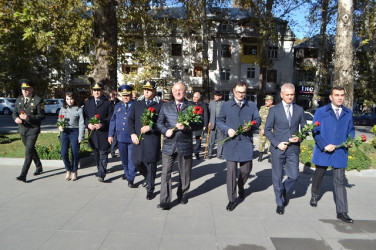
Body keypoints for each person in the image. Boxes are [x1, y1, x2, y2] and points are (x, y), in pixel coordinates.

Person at [310, 86, 355, 223]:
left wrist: (350, 141)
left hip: (340, 151)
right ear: (331, 97)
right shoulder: (321, 111)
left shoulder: (348, 113)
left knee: (340, 181)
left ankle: (342, 212)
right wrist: (324, 145)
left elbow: (351, 130)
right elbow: (315, 130)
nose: (340, 97)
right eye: (337, 95)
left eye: (342, 95)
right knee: (319, 174)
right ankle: (314, 195)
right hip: (324, 149)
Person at [216, 82, 261, 211]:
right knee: (231, 173)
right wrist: (227, 129)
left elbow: (258, 120)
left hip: (245, 142)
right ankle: (232, 199)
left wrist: (251, 125)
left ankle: (240, 185)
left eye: (243, 92)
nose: (241, 94)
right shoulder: (226, 105)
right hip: (231, 142)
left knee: (246, 170)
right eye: (238, 92)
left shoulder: (251, 105)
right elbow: (219, 120)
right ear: (233, 91)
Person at [156, 82, 200, 210]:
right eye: (175, 90)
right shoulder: (166, 106)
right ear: (172, 91)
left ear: (185, 91)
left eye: (180, 90)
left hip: (184, 145)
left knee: (185, 173)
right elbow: (159, 123)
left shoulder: (192, 106)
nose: (178, 92)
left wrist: (185, 127)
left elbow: (199, 124)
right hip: (169, 145)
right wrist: (165, 131)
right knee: (165, 173)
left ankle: (182, 194)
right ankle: (164, 201)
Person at [264, 83, 306, 215]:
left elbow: (304, 129)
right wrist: (277, 143)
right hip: (278, 149)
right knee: (277, 176)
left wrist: (299, 138)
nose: (290, 97)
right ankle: (280, 203)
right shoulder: (274, 110)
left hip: (293, 149)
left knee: (294, 175)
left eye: (292, 94)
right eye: (287, 94)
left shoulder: (299, 110)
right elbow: (267, 130)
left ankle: (282, 190)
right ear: (282, 95)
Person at [129, 80, 161, 199]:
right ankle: (147, 177)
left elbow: (163, 124)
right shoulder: (138, 103)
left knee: (151, 165)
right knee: (136, 162)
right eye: (145, 89)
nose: (146, 91)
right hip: (138, 140)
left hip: (152, 140)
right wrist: (132, 134)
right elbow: (130, 120)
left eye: (149, 89)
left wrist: (151, 127)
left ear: (154, 91)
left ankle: (150, 189)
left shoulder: (160, 105)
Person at [13, 79, 45, 182]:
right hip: (22, 129)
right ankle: (39, 166)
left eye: (27, 89)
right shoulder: (19, 100)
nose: (25, 91)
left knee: (28, 152)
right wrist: (16, 119)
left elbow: (42, 116)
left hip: (33, 129)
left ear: (31, 89)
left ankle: (23, 175)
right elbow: (14, 113)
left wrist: (29, 118)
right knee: (30, 149)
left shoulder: (38, 100)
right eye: (23, 89)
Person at [83, 82, 114, 183]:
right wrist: (88, 124)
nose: (97, 92)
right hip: (92, 133)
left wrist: (102, 124)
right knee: (96, 152)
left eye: (99, 90)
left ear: (102, 91)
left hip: (103, 132)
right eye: (95, 90)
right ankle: (99, 168)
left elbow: (111, 117)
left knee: (103, 152)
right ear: (92, 91)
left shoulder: (108, 102)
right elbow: (85, 116)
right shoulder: (87, 102)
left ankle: (102, 173)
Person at [108, 85, 136, 187]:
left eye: (127, 95)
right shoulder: (118, 106)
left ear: (131, 95)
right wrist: (110, 135)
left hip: (132, 137)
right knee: (124, 159)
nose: (125, 98)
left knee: (131, 159)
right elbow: (113, 121)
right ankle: (127, 172)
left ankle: (131, 178)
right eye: (124, 96)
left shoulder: (136, 106)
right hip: (121, 137)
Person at [58, 91, 85, 181]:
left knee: (74, 152)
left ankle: (74, 171)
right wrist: (59, 127)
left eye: (71, 99)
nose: (69, 101)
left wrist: (81, 136)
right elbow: (59, 120)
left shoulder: (79, 109)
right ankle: (68, 169)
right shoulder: (62, 109)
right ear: (65, 100)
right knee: (63, 152)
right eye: (67, 99)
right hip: (65, 132)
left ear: (74, 99)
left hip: (75, 132)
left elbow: (81, 123)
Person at [207, 91, 225, 159]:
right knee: (211, 140)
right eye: (214, 95)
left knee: (221, 140)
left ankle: (219, 154)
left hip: (221, 124)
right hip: (212, 123)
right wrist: (209, 121)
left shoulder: (224, 103)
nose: (215, 96)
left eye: (216, 95)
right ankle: (209, 154)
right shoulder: (211, 103)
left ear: (220, 96)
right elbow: (209, 113)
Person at [192, 91, 208, 160]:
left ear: (199, 98)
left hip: (199, 124)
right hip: (191, 124)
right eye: (193, 97)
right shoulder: (190, 103)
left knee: (198, 139)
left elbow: (205, 115)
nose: (194, 98)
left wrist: (205, 125)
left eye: (196, 97)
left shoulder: (203, 104)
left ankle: (197, 153)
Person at [258, 95, 274, 162]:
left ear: (271, 101)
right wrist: (262, 129)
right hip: (263, 128)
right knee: (262, 142)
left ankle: (270, 157)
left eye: (267, 101)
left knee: (271, 143)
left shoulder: (275, 108)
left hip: (272, 129)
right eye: (265, 100)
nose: (265, 102)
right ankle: (260, 156)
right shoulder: (262, 108)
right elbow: (259, 120)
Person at [109, 90, 120, 158]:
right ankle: (112, 150)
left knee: (115, 137)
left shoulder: (119, 102)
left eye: (116, 95)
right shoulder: (109, 102)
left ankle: (112, 151)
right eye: (114, 95)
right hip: (110, 121)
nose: (115, 96)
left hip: (116, 122)